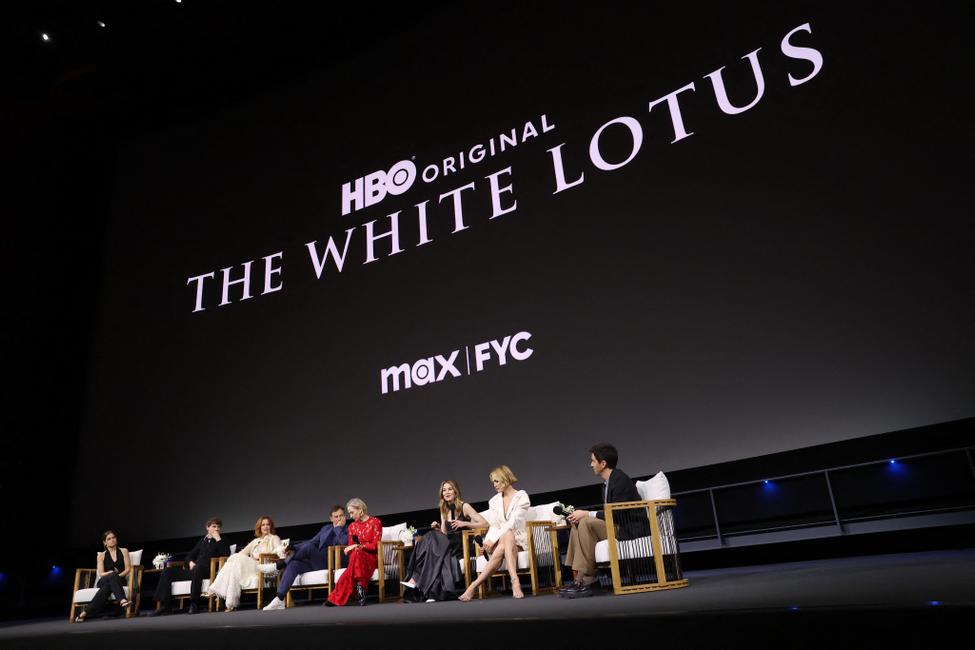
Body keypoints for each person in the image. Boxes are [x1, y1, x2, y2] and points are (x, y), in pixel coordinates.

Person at [559, 443, 642, 598]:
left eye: (593, 461)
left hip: (628, 528)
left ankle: (585, 580)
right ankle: (583, 579)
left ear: (603, 463)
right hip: (616, 525)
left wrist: (587, 513)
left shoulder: (619, 479)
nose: (590, 464)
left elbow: (616, 514)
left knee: (585, 521)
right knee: (579, 523)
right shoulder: (607, 483)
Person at [401, 480, 488, 602]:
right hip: (448, 545)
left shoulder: (465, 506)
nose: (447, 492)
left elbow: (485, 523)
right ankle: (430, 592)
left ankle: (415, 579)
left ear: (455, 491)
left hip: (462, 545)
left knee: (432, 542)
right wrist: (438, 527)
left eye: (449, 489)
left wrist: (465, 523)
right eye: (444, 490)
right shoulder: (444, 509)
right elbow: (444, 534)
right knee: (432, 537)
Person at [458, 465, 530, 601]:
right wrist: (487, 542)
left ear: (506, 478)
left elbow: (513, 523)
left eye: (497, 481)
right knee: (503, 544)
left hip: (519, 539)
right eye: (493, 483)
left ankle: (473, 586)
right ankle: (515, 581)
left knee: (508, 533)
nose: (494, 485)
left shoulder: (522, 496)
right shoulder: (494, 501)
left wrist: (493, 539)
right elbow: (495, 525)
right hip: (501, 541)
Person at [262, 505, 348, 611]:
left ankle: (280, 565)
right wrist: (293, 547)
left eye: (341, 516)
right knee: (294, 565)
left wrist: (338, 529)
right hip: (317, 561)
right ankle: (279, 599)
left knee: (308, 548)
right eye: (336, 517)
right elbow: (312, 541)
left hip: (332, 562)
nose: (339, 519)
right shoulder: (326, 528)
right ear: (331, 518)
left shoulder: (348, 529)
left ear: (345, 516)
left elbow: (344, 542)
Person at [150, 517, 231, 615]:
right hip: (195, 571)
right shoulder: (202, 541)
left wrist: (218, 539)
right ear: (207, 528)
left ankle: (194, 603)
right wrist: (190, 562)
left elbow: (226, 554)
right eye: (214, 526)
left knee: (198, 568)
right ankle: (166, 605)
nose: (217, 529)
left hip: (209, 571)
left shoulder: (222, 540)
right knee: (167, 571)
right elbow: (189, 556)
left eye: (218, 527)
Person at [207, 515, 286, 611]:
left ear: (271, 526)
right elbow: (241, 553)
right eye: (263, 525)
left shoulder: (274, 538)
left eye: (268, 525)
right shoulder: (255, 541)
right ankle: (230, 602)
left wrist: (265, 554)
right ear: (259, 527)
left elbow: (278, 549)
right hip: (252, 566)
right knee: (235, 561)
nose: (265, 527)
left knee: (236, 558)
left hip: (263, 566)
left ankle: (215, 588)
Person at [326, 498, 381, 606]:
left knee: (357, 553)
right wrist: (350, 549)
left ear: (360, 509)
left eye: (352, 512)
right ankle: (361, 589)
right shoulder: (352, 526)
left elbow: (375, 545)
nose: (350, 516)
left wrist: (358, 546)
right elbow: (351, 547)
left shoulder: (375, 522)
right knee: (356, 553)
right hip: (356, 558)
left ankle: (336, 597)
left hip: (370, 557)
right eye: (349, 513)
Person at [74, 530, 132, 622]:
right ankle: (122, 600)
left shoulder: (124, 551)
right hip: (104, 580)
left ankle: (84, 613)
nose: (112, 540)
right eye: (109, 539)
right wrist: (113, 574)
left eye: (113, 538)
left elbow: (128, 569)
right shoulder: (101, 555)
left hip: (120, 579)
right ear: (105, 542)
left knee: (107, 587)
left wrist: (117, 576)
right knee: (112, 576)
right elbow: (101, 573)